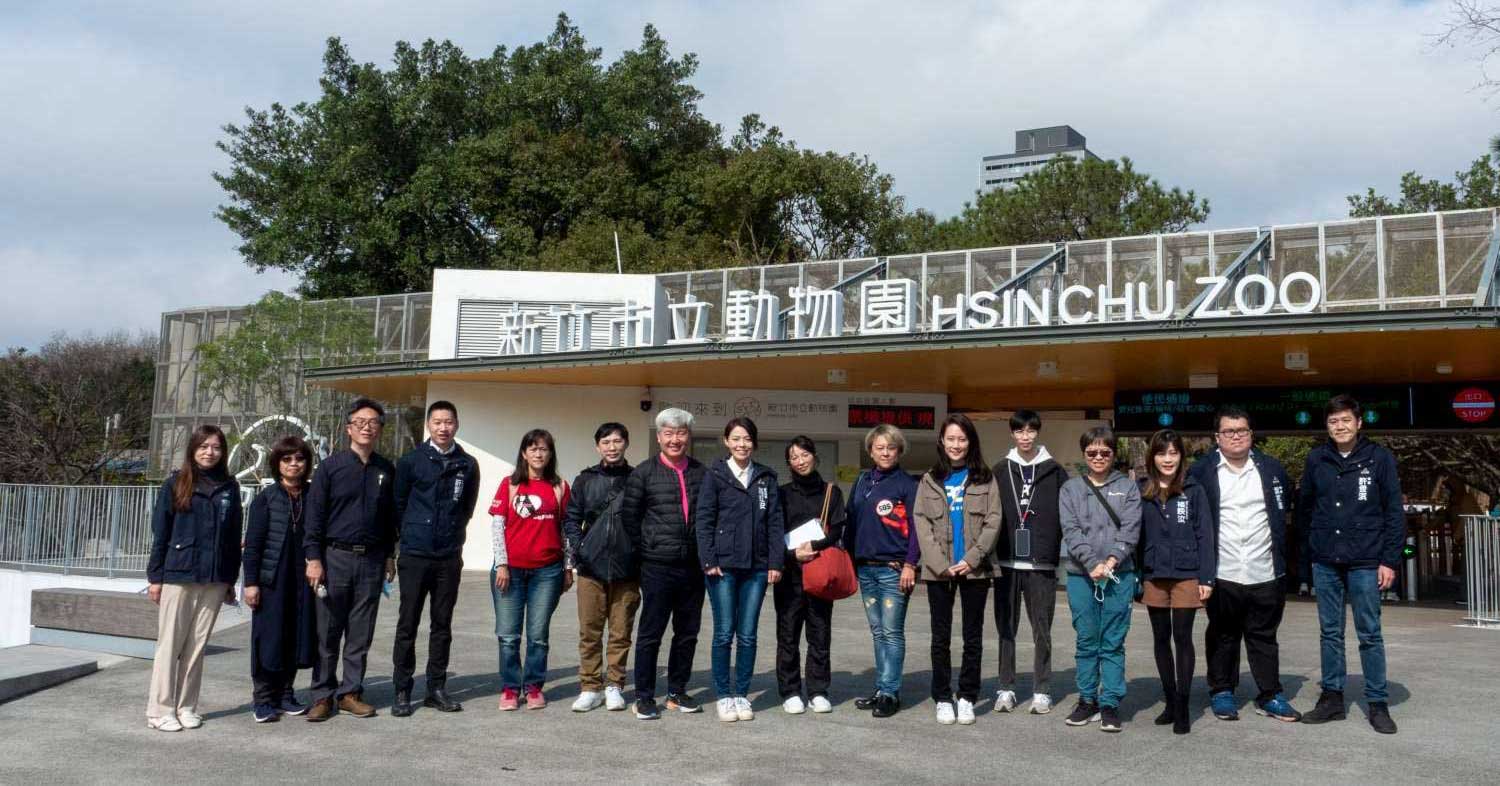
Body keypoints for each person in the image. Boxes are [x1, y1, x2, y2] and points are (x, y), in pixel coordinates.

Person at [1186, 405, 1301, 724]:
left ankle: (1270, 695)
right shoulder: (1201, 471)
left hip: (1265, 570)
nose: (1235, 436)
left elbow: (1286, 515)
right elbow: (1194, 521)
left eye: (1242, 431)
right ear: (1217, 437)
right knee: (1223, 634)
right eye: (1228, 431)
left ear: (1251, 434)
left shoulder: (1271, 469)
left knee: (1264, 636)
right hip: (1222, 572)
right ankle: (1222, 691)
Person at [1299, 394, 1403, 735]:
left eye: (1345, 420)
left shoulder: (1379, 459)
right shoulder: (1317, 459)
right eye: (1333, 421)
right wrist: (1310, 550)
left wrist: (1389, 560)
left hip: (1366, 559)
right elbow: (1305, 509)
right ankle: (1331, 698)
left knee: (1369, 633)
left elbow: (1393, 512)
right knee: (1330, 632)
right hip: (1326, 558)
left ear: (1359, 423)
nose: (1339, 426)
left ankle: (1377, 702)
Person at [304, 397, 398, 722]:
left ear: (380, 429)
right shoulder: (330, 467)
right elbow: (314, 517)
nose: (367, 427)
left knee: (360, 633)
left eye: (373, 422)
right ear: (348, 428)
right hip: (334, 559)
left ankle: (350, 693)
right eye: (360, 422)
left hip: (371, 561)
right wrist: (313, 558)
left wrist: (389, 556)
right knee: (327, 632)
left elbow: (389, 519)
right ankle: (322, 695)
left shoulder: (386, 469)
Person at [145, 425, 243, 732]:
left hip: (214, 578)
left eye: (215, 447)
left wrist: (229, 579)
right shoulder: (176, 482)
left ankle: (186, 707)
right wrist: (156, 577)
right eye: (204, 446)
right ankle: (160, 711)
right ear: (193, 449)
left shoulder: (230, 486)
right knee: (170, 644)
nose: (209, 452)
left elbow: (232, 536)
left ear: (222, 452)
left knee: (197, 646)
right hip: (179, 573)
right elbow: (160, 532)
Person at [390, 401, 480, 717]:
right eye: (438, 422)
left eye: (449, 422)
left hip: (448, 557)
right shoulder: (411, 461)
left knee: (442, 625)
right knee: (408, 623)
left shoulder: (467, 464)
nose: (443, 427)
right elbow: (399, 505)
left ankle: (436, 688)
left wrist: (450, 534)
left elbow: (467, 508)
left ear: (457, 425)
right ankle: (402, 688)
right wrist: (413, 535)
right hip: (415, 555)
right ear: (429, 425)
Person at [621, 407, 708, 720]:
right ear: (658, 437)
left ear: (688, 436)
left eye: (681, 432)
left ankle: (676, 691)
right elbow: (630, 519)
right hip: (657, 566)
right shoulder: (643, 473)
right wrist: (647, 549)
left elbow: (708, 517)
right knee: (651, 632)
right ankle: (644, 695)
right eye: (668, 433)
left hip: (693, 567)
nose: (675, 439)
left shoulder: (702, 472)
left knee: (687, 633)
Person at [913, 414, 1001, 726]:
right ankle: (942, 697)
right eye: (951, 438)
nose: (956, 445)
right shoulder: (929, 479)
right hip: (939, 572)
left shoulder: (985, 478)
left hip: (974, 569)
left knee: (972, 636)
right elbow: (921, 522)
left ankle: (967, 696)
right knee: (940, 637)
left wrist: (974, 557)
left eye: (962, 439)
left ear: (971, 442)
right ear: (941, 441)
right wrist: (939, 563)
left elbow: (994, 521)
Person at [696, 417, 785, 722]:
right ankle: (723, 695)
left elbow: (775, 523)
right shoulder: (715, 475)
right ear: (726, 442)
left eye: (746, 439)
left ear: (754, 443)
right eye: (735, 438)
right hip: (722, 568)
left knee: (747, 634)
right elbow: (704, 520)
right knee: (723, 633)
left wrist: (776, 562)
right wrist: (708, 560)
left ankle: (741, 695)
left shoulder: (766, 478)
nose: (741, 444)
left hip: (757, 568)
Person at [1059, 425, 1140, 733]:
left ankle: (1110, 703)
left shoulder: (1128, 488)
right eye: (1092, 452)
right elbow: (1071, 530)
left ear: (1113, 454)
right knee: (1086, 640)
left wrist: (1111, 560)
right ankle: (1087, 699)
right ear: (1084, 454)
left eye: (1105, 451)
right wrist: (1092, 563)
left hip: (1119, 575)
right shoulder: (1071, 489)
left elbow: (1130, 528)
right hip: (1082, 576)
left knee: (1113, 642)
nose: (1098, 457)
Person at [1137, 429, 1214, 735]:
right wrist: (1138, 575)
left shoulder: (1194, 489)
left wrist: (1206, 576)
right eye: (1161, 453)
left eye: (1173, 453)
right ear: (1152, 457)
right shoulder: (1143, 489)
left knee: (1182, 638)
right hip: (1155, 573)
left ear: (1181, 455)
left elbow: (1205, 534)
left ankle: (1183, 705)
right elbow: (1137, 535)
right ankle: (1169, 700)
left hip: (1187, 572)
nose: (1167, 459)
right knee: (1160, 639)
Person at [488, 428, 571, 711]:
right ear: (524, 453)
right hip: (510, 571)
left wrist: (568, 567)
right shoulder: (509, 484)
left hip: (547, 572)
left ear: (550, 454)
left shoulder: (560, 486)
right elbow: (497, 525)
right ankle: (511, 688)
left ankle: (533, 686)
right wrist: (502, 564)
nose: (538, 453)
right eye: (532, 448)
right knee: (508, 635)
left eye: (544, 449)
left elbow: (566, 530)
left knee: (538, 636)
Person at [992, 409, 1067, 715]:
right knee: (1006, 629)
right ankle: (1006, 688)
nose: (1025, 437)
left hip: (1041, 565)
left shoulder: (1055, 471)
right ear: (1012, 434)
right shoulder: (1000, 470)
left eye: (1030, 431)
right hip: (1007, 563)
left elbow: (1066, 516)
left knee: (1042, 631)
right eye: (1019, 431)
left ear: (1038, 432)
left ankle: (1042, 689)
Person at [844, 423, 920, 719]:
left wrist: (910, 564)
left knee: (891, 632)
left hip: (893, 570)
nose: (885, 452)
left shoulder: (907, 484)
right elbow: (851, 522)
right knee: (878, 632)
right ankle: (880, 687)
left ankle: (890, 692)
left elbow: (917, 530)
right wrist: (848, 560)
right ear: (870, 451)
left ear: (899, 450)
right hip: (866, 570)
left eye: (891, 447)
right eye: (880, 447)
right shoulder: (862, 482)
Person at [563, 422, 639, 713]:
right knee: (590, 631)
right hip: (591, 568)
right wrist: (578, 548)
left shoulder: (636, 479)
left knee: (621, 631)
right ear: (598, 447)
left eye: (617, 441)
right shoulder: (585, 480)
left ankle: (615, 685)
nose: (612, 447)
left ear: (626, 444)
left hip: (627, 568)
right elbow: (571, 518)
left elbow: (646, 519)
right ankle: (590, 686)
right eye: (606, 442)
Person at [242, 436, 317, 724]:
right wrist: (251, 583)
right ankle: (263, 698)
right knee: (268, 639)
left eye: (299, 459)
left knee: (295, 636)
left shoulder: (313, 495)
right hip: (273, 578)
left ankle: (286, 693)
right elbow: (254, 545)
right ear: (277, 464)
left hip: (303, 579)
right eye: (287, 459)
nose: (294, 464)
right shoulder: (267, 498)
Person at [775, 437, 846, 715]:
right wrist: (793, 555)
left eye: (805, 455)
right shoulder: (781, 493)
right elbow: (773, 533)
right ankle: (790, 690)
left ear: (815, 457)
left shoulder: (832, 492)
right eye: (794, 457)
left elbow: (837, 530)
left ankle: (818, 690)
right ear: (789, 463)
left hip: (820, 574)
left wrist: (813, 547)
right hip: (790, 575)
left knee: (819, 633)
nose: (800, 461)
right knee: (788, 634)